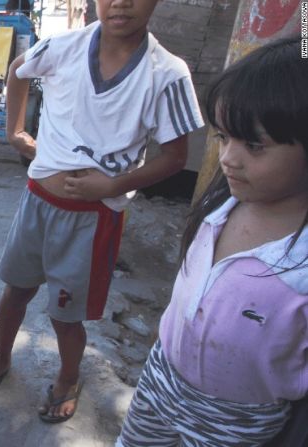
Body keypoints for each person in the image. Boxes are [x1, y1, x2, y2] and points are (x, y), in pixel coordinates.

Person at [0, 0, 204, 424]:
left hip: (93, 220)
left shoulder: (167, 73)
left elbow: (173, 157)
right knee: (14, 291)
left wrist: (114, 184)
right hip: (37, 201)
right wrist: (15, 132)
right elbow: (18, 68)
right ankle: (1, 358)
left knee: (65, 314)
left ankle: (69, 377)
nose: (121, 3)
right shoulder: (63, 47)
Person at [117, 36, 308, 446]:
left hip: (236, 422)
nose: (228, 159)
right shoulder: (221, 205)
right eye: (224, 137)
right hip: (160, 380)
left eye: (255, 145)